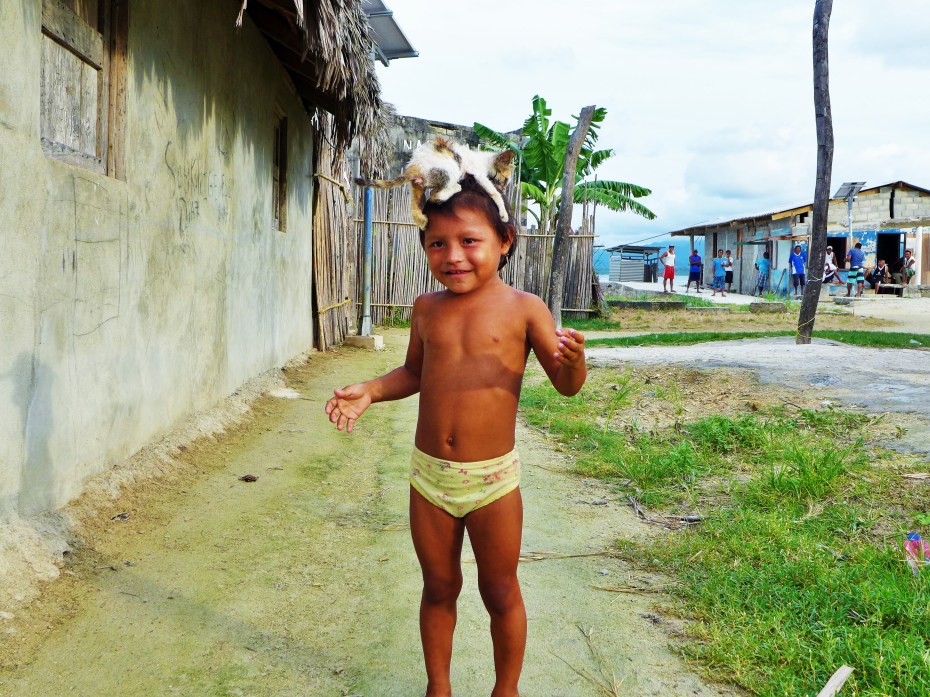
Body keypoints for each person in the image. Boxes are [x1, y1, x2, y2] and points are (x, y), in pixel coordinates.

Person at [324, 173, 587, 697]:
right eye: (437, 244)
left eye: (469, 240)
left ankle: (505, 690)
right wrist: (372, 390)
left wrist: (575, 362)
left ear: (504, 240)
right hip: (429, 480)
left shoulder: (525, 308)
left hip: (493, 482)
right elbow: (414, 374)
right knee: (439, 587)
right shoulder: (427, 309)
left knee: (500, 590)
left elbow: (565, 384)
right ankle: (438, 688)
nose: (453, 256)